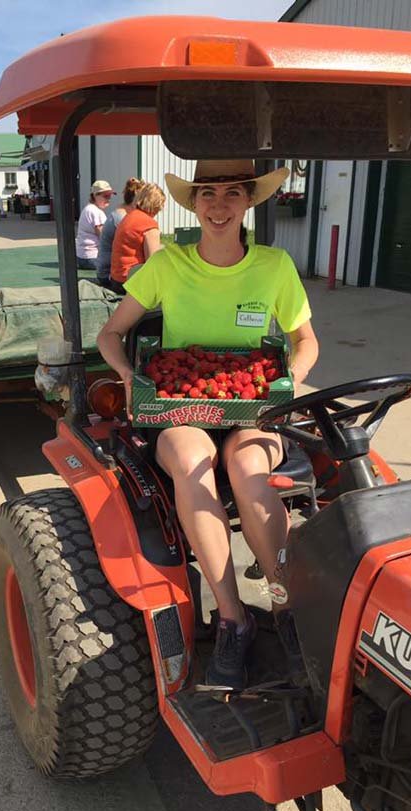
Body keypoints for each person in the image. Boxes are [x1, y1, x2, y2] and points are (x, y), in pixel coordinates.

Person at [97, 159, 319, 689]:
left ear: (249, 202)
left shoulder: (274, 266)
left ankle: (285, 609)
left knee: (247, 466)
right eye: (208, 193)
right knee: (195, 462)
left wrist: (284, 381)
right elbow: (111, 334)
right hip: (179, 403)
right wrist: (129, 375)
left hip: (249, 402)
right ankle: (233, 619)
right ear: (193, 203)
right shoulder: (170, 264)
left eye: (233, 193)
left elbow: (305, 341)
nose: (219, 204)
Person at [108, 182, 165, 294]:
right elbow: (153, 261)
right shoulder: (149, 224)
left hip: (116, 279)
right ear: (157, 205)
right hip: (130, 282)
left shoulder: (128, 217)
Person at [96, 177, 145, 287]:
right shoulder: (122, 218)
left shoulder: (121, 214)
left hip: (109, 271)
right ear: (137, 201)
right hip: (108, 275)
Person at [75, 180, 115, 270]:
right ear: (94, 196)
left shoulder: (88, 209)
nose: (108, 199)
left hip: (83, 257)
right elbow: (104, 237)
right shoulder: (95, 212)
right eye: (106, 196)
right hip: (93, 257)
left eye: (110, 196)